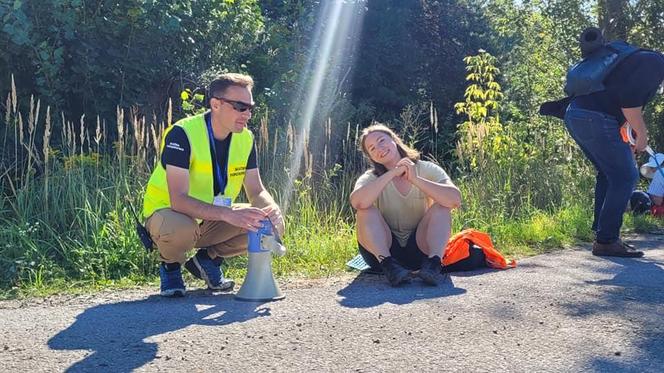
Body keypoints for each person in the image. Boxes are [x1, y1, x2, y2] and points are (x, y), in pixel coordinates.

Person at [141, 73, 285, 297]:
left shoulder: (246, 139)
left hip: (211, 217)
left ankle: (207, 261)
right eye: (240, 106)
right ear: (215, 104)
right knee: (179, 227)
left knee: (265, 222)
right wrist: (226, 214)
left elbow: (256, 190)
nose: (247, 114)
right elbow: (178, 199)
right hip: (170, 214)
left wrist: (272, 209)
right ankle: (170, 266)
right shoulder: (183, 133)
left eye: (250, 108)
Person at [559, 32, 664, 257]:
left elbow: (620, 104)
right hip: (592, 117)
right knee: (626, 176)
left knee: (609, 174)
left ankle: (603, 235)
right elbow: (629, 105)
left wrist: (628, 138)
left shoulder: (639, 61)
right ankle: (606, 240)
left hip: (577, 114)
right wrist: (642, 134)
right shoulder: (655, 63)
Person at [349, 123, 462, 286]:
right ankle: (391, 268)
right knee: (365, 211)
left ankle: (434, 264)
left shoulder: (426, 168)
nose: (379, 148)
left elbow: (454, 200)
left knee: (442, 205)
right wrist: (392, 173)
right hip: (382, 255)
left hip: (421, 250)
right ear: (371, 157)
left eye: (381, 141)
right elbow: (358, 202)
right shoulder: (370, 177)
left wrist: (415, 179)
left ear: (394, 140)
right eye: (372, 148)